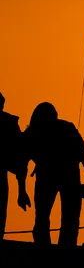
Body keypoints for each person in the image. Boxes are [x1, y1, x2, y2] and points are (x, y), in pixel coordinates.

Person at [21, 102, 84, 247]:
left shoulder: (35, 133)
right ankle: (60, 252)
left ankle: (47, 250)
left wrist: (22, 190)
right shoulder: (65, 129)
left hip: (55, 176)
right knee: (67, 220)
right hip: (62, 176)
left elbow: (21, 163)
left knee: (49, 219)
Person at [1, 91, 30, 236]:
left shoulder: (9, 124)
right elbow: (21, 160)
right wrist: (22, 191)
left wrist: (22, 191)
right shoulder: (9, 124)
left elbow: (20, 159)